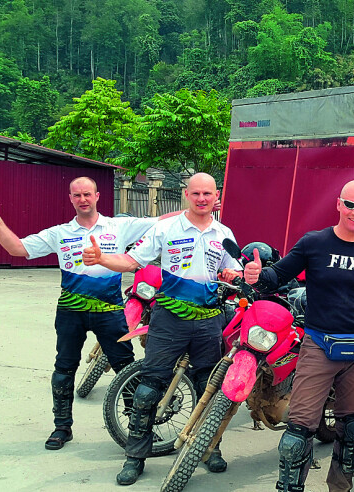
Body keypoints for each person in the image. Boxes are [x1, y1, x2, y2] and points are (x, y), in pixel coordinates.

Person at [0, 177, 175, 452]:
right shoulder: (60, 233)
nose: (83, 199)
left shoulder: (119, 227)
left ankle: (136, 428)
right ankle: (62, 427)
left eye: (87, 194)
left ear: (97, 196)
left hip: (110, 312)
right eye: (77, 195)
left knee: (126, 367)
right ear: (70, 198)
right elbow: (17, 249)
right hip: (71, 311)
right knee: (64, 367)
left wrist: (200, 209)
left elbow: (163, 220)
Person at [243, 179, 354, 492]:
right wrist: (256, 276)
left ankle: (340, 488)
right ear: (338, 205)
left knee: (353, 427)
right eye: (349, 204)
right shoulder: (314, 243)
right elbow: (277, 276)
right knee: (297, 433)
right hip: (318, 345)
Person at [82, 173, 242, 485]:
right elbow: (131, 262)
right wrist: (102, 258)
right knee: (147, 389)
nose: (201, 199)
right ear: (186, 194)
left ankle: (210, 448)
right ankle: (135, 456)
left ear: (216, 195)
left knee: (209, 389)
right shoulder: (165, 228)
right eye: (195, 193)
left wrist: (241, 273)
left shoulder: (224, 233)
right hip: (169, 318)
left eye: (207, 193)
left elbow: (235, 270)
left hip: (209, 320)